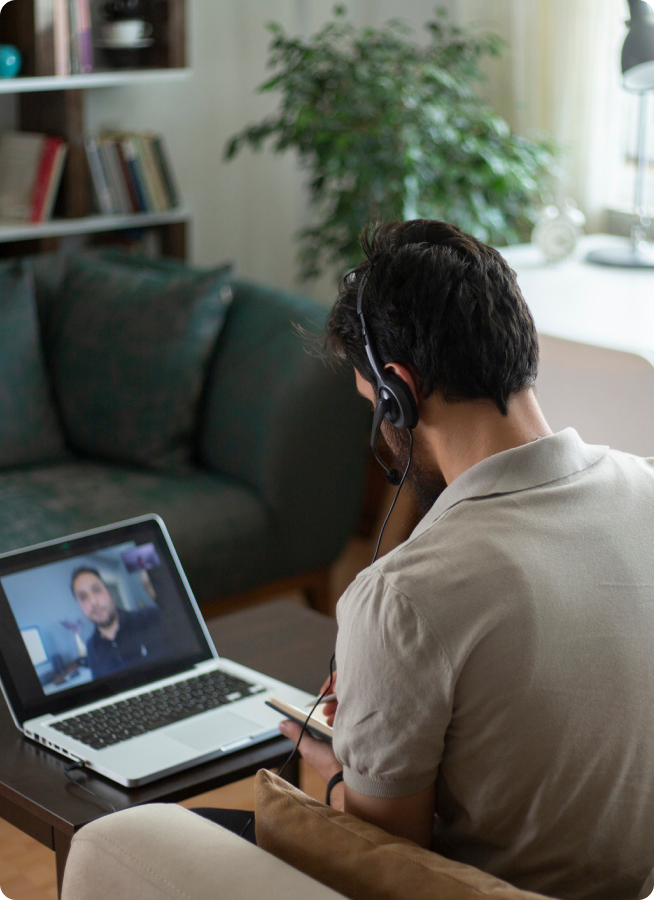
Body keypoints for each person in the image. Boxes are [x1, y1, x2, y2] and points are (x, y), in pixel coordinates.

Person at [193, 219, 654, 900]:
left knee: (174, 835)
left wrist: (342, 775)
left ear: (399, 392)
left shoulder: (405, 598)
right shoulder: (646, 486)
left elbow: (386, 863)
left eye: (372, 405)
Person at [71, 566, 167, 679]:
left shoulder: (150, 617)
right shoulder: (91, 647)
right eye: (83, 597)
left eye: (97, 590)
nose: (93, 602)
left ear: (108, 592)